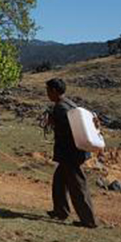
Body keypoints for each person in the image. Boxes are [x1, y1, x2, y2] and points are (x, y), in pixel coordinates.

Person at [44, 78, 98, 228]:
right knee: (59, 182)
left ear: (54, 91)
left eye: (48, 91)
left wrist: (52, 123)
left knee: (78, 186)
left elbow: (66, 131)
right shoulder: (69, 104)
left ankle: (89, 220)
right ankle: (60, 211)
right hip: (75, 152)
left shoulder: (60, 108)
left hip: (70, 153)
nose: (47, 94)